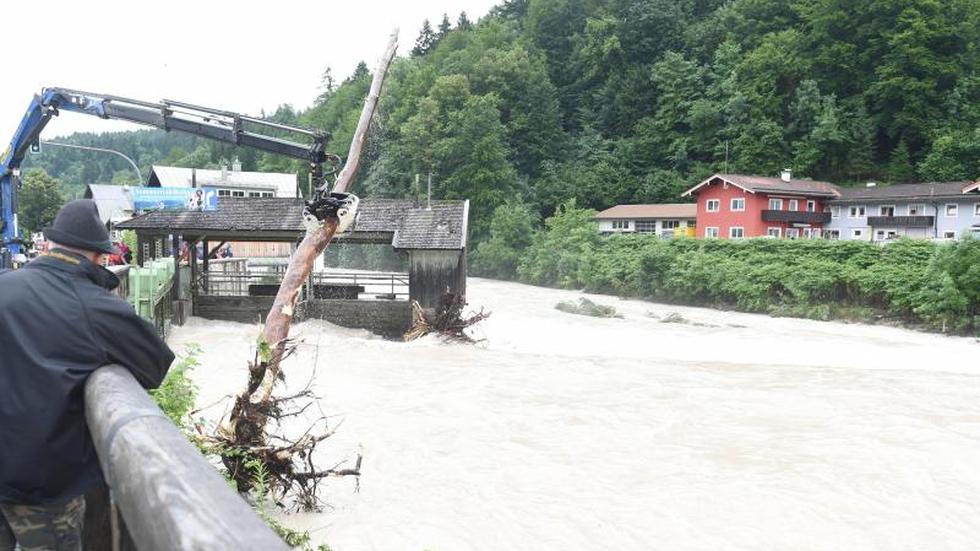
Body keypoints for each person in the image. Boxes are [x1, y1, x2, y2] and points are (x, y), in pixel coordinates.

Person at [0, 199, 174, 551]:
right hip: (42, 485)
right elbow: (155, 364)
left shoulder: (5, 284)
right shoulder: (91, 304)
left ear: (48, 245)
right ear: (98, 257)